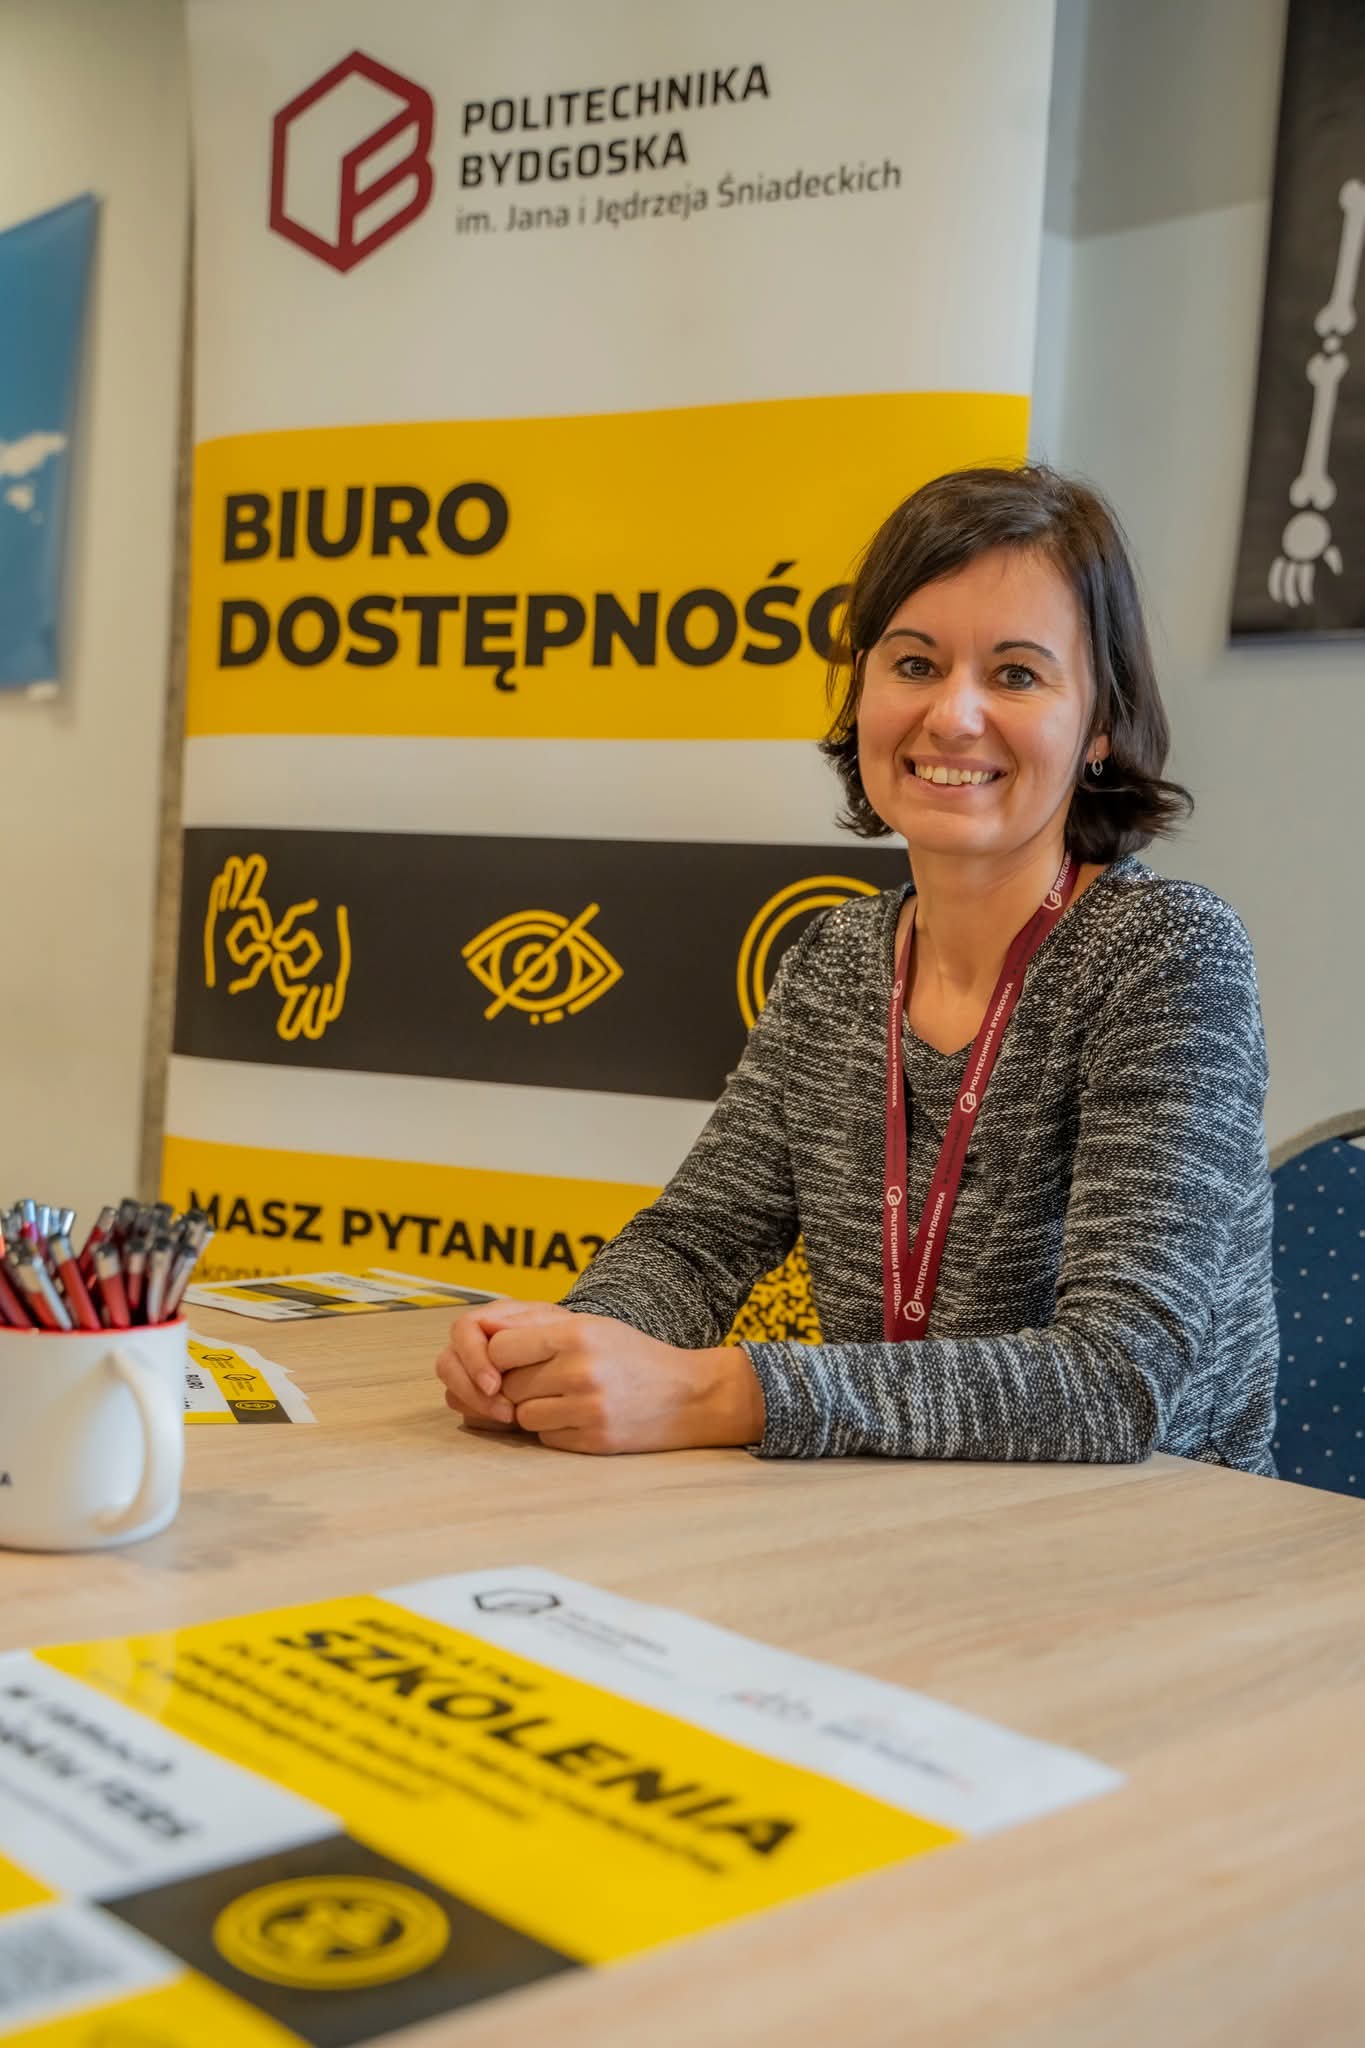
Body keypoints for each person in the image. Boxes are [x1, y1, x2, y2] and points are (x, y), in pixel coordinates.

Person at [435, 465, 1278, 1471]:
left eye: (1016, 675)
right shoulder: (838, 960)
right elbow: (696, 1243)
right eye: (914, 663)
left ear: (1099, 721)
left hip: (1155, 1540)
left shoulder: (1167, 953)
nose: (953, 716)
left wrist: (725, 1390)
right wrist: (564, 1350)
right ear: (862, 689)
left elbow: (1118, 1381)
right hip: (889, 1509)